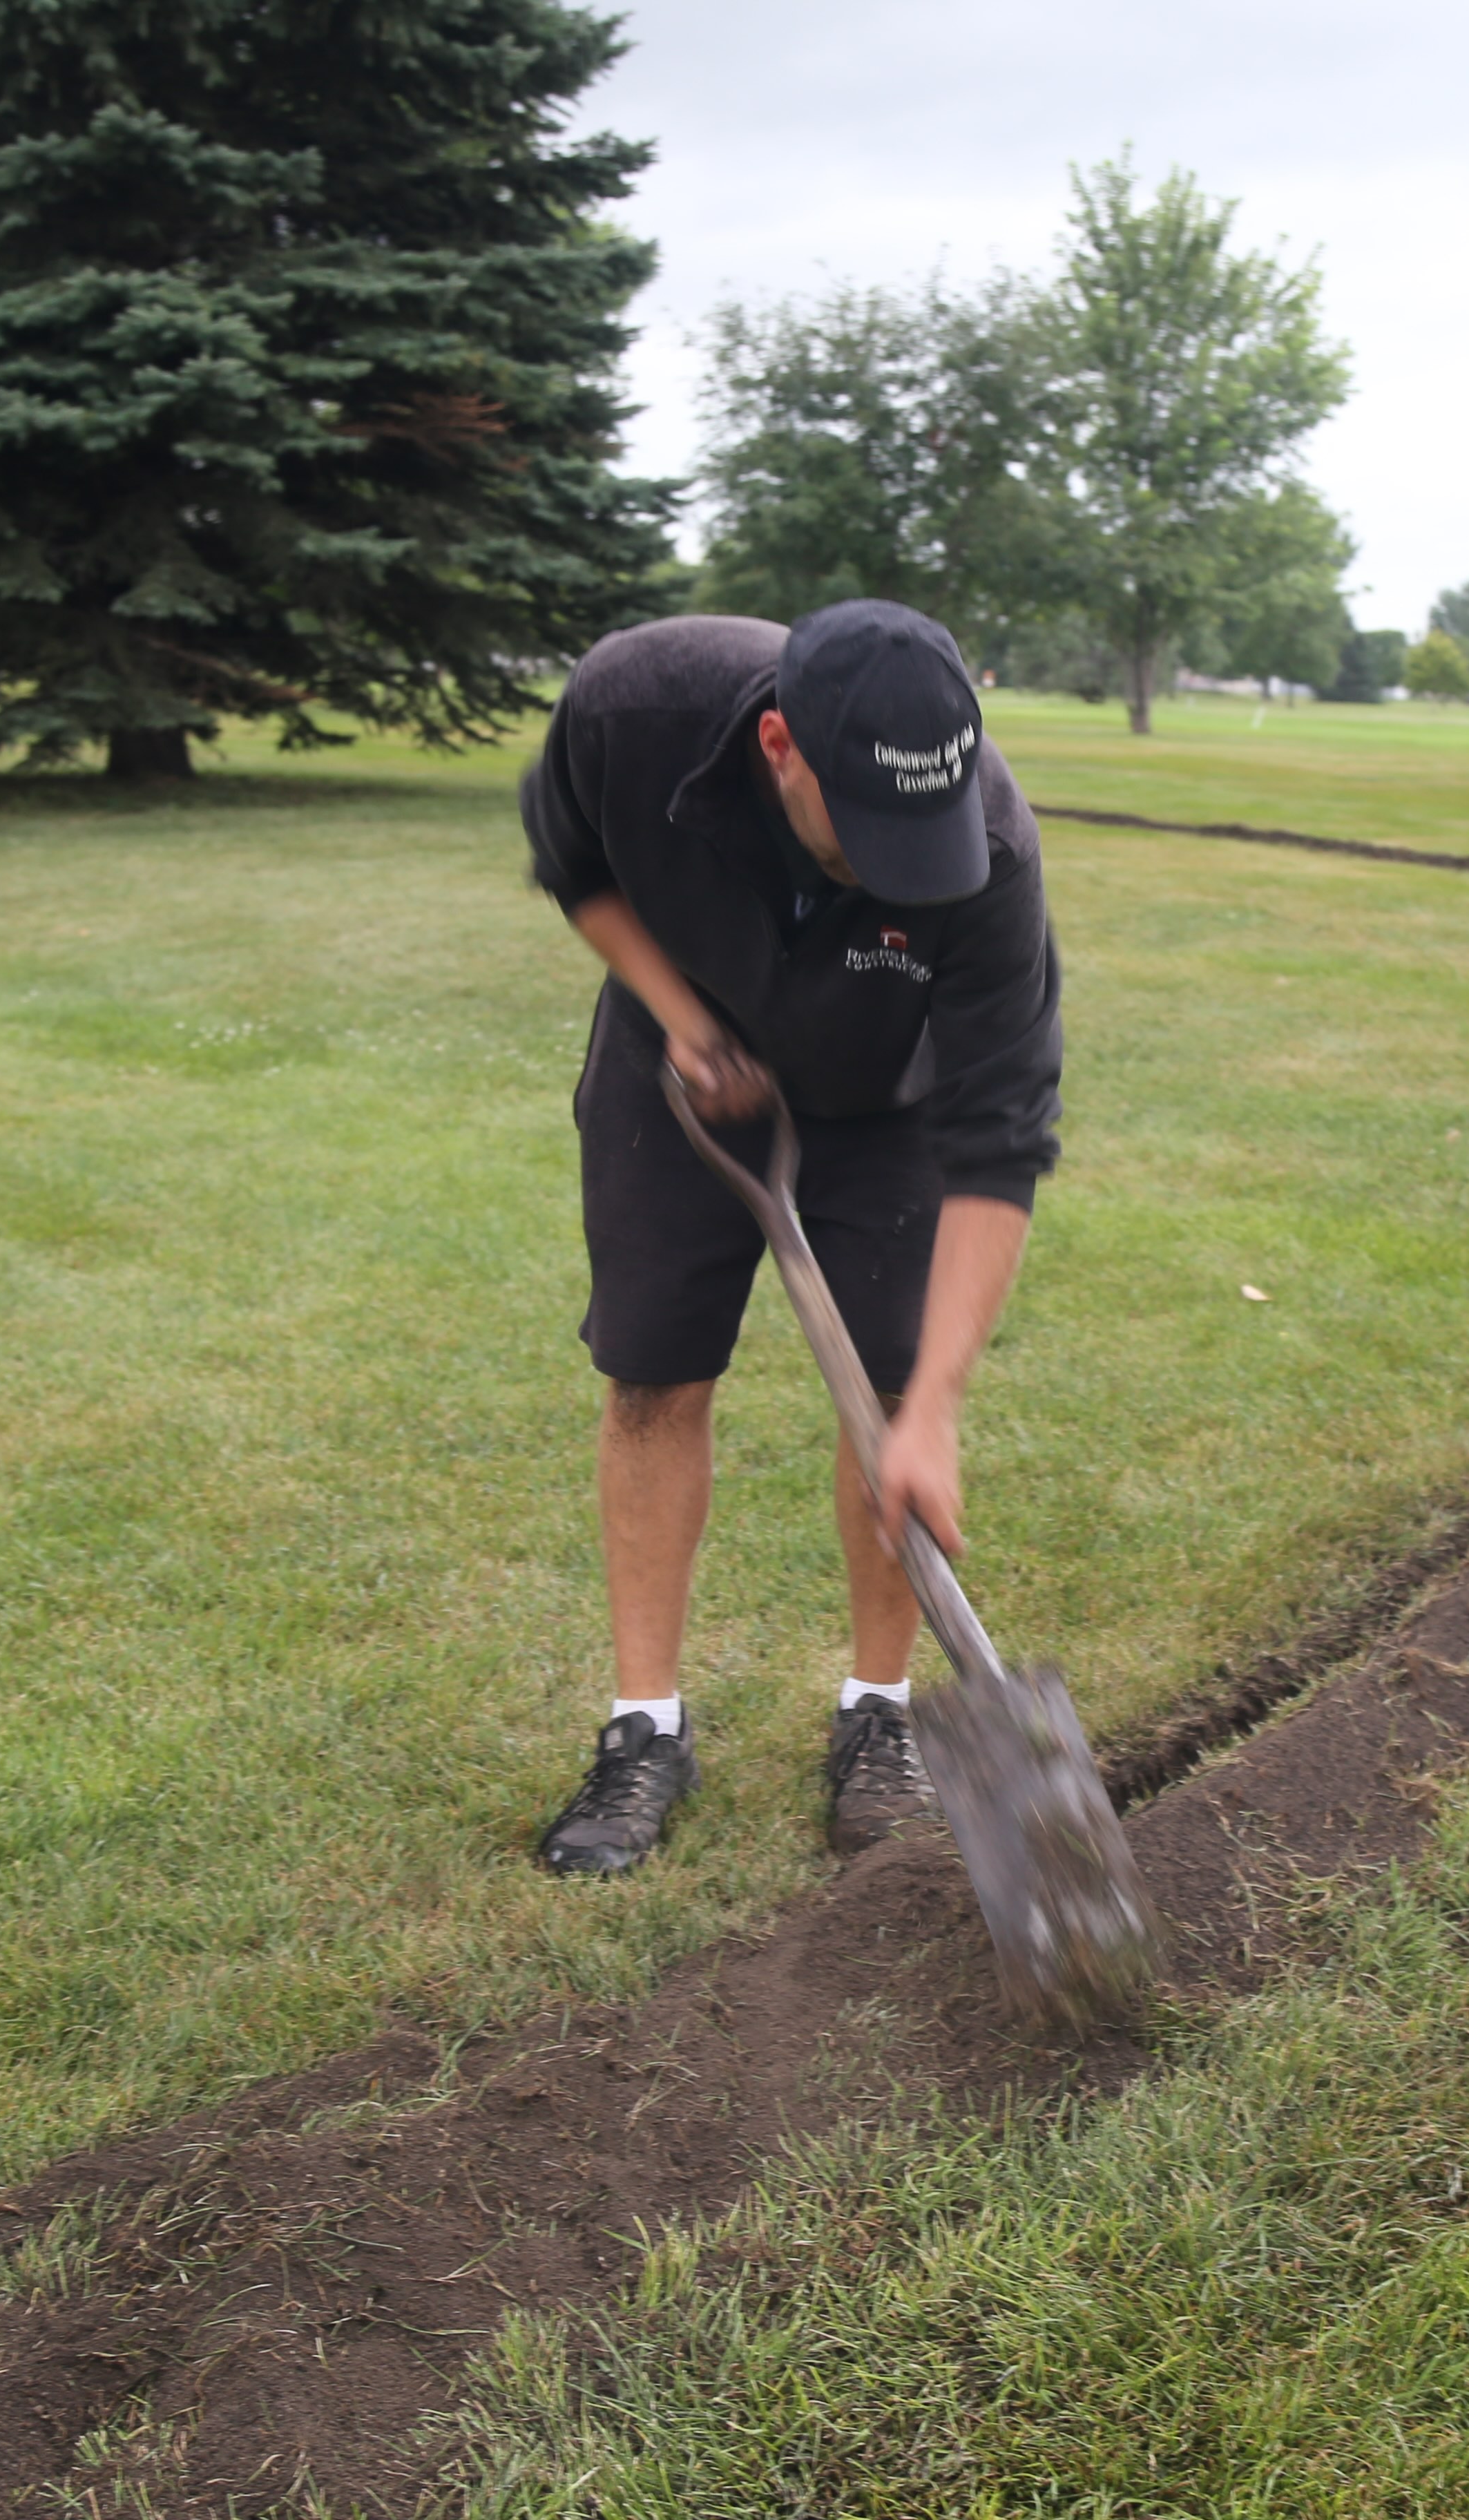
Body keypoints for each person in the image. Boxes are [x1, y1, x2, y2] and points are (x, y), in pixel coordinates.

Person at [517, 600, 1064, 1875]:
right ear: (780, 748)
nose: (899, 868)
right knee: (653, 1375)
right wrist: (679, 1016)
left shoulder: (990, 848)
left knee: (892, 1396)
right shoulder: (635, 707)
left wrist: (935, 1408)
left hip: (889, 1101)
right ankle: (645, 1729)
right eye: (869, 833)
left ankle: (880, 1716)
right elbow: (576, 864)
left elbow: (1000, 1139)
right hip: (681, 1071)